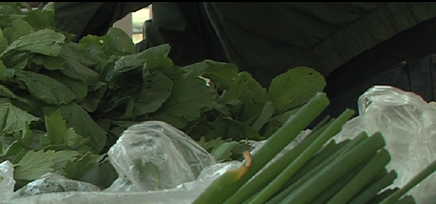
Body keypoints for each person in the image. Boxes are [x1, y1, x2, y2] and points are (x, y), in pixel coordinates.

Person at [53, 2, 436, 119]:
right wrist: (138, 78)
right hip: (318, 59)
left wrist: (42, 38)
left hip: (374, 43)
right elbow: (183, 20)